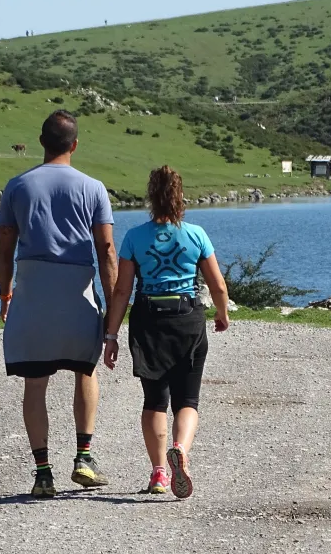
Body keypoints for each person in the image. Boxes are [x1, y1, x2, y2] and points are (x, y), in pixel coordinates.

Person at [0, 110, 117, 499]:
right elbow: (107, 251)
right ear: (75, 145)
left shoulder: (17, 186)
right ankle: (84, 457)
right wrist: (114, 307)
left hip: (32, 289)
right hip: (77, 288)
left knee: (35, 382)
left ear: (41, 141)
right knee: (85, 371)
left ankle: (42, 472)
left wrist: (5, 294)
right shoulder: (94, 188)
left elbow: (4, 250)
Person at [103, 166, 230, 499]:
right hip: (187, 318)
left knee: (154, 401)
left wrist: (111, 335)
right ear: (180, 197)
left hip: (148, 319)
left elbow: (121, 292)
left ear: (151, 197)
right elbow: (217, 283)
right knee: (187, 399)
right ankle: (181, 450)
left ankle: (160, 473)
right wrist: (222, 313)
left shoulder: (134, 237)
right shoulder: (197, 234)